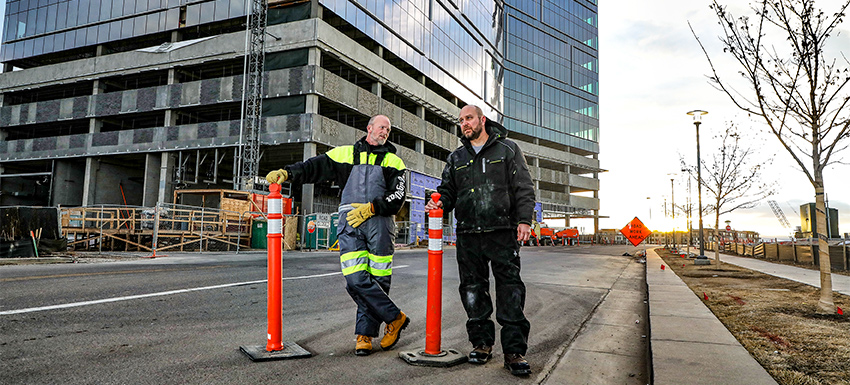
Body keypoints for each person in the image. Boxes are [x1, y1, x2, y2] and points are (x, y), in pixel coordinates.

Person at [265, 114, 410, 356]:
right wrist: (287, 173)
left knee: (378, 280)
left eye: (388, 128)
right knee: (355, 279)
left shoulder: (394, 162)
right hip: (351, 224)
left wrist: (373, 207)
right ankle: (395, 317)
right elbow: (313, 167)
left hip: (380, 224)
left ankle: (364, 335)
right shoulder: (344, 154)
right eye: (381, 126)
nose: (384, 131)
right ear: (369, 128)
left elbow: (398, 196)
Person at [424, 105, 535, 376]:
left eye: (469, 118)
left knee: (510, 289)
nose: (465, 123)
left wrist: (524, 220)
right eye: (461, 120)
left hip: (502, 231)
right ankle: (482, 343)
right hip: (468, 234)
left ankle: (514, 351)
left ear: (482, 120)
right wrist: (437, 203)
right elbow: (447, 191)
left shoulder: (507, 150)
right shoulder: (456, 157)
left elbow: (523, 187)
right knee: (472, 290)